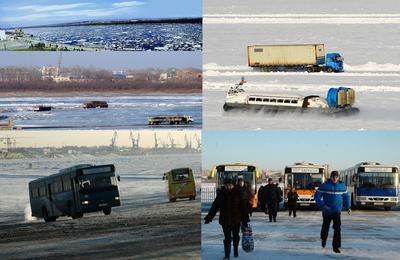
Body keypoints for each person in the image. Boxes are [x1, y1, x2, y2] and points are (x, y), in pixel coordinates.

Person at [204, 179, 250, 260]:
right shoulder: (221, 194)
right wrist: (209, 218)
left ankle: (235, 250)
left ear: (233, 185)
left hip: (236, 220)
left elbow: (243, 208)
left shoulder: (238, 193)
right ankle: (227, 255)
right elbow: (214, 207)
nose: (228, 186)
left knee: (236, 236)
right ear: (224, 186)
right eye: (226, 185)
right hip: (224, 220)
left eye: (230, 185)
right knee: (227, 238)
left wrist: (245, 220)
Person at [315, 171, 351, 254]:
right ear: (330, 177)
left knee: (337, 229)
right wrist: (323, 206)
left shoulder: (342, 186)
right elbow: (317, 196)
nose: (335, 179)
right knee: (325, 227)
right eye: (333, 177)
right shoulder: (324, 185)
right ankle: (323, 239)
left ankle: (336, 246)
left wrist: (348, 207)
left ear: (338, 178)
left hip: (337, 211)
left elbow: (346, 197)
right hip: (327, 211)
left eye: (336, 177)